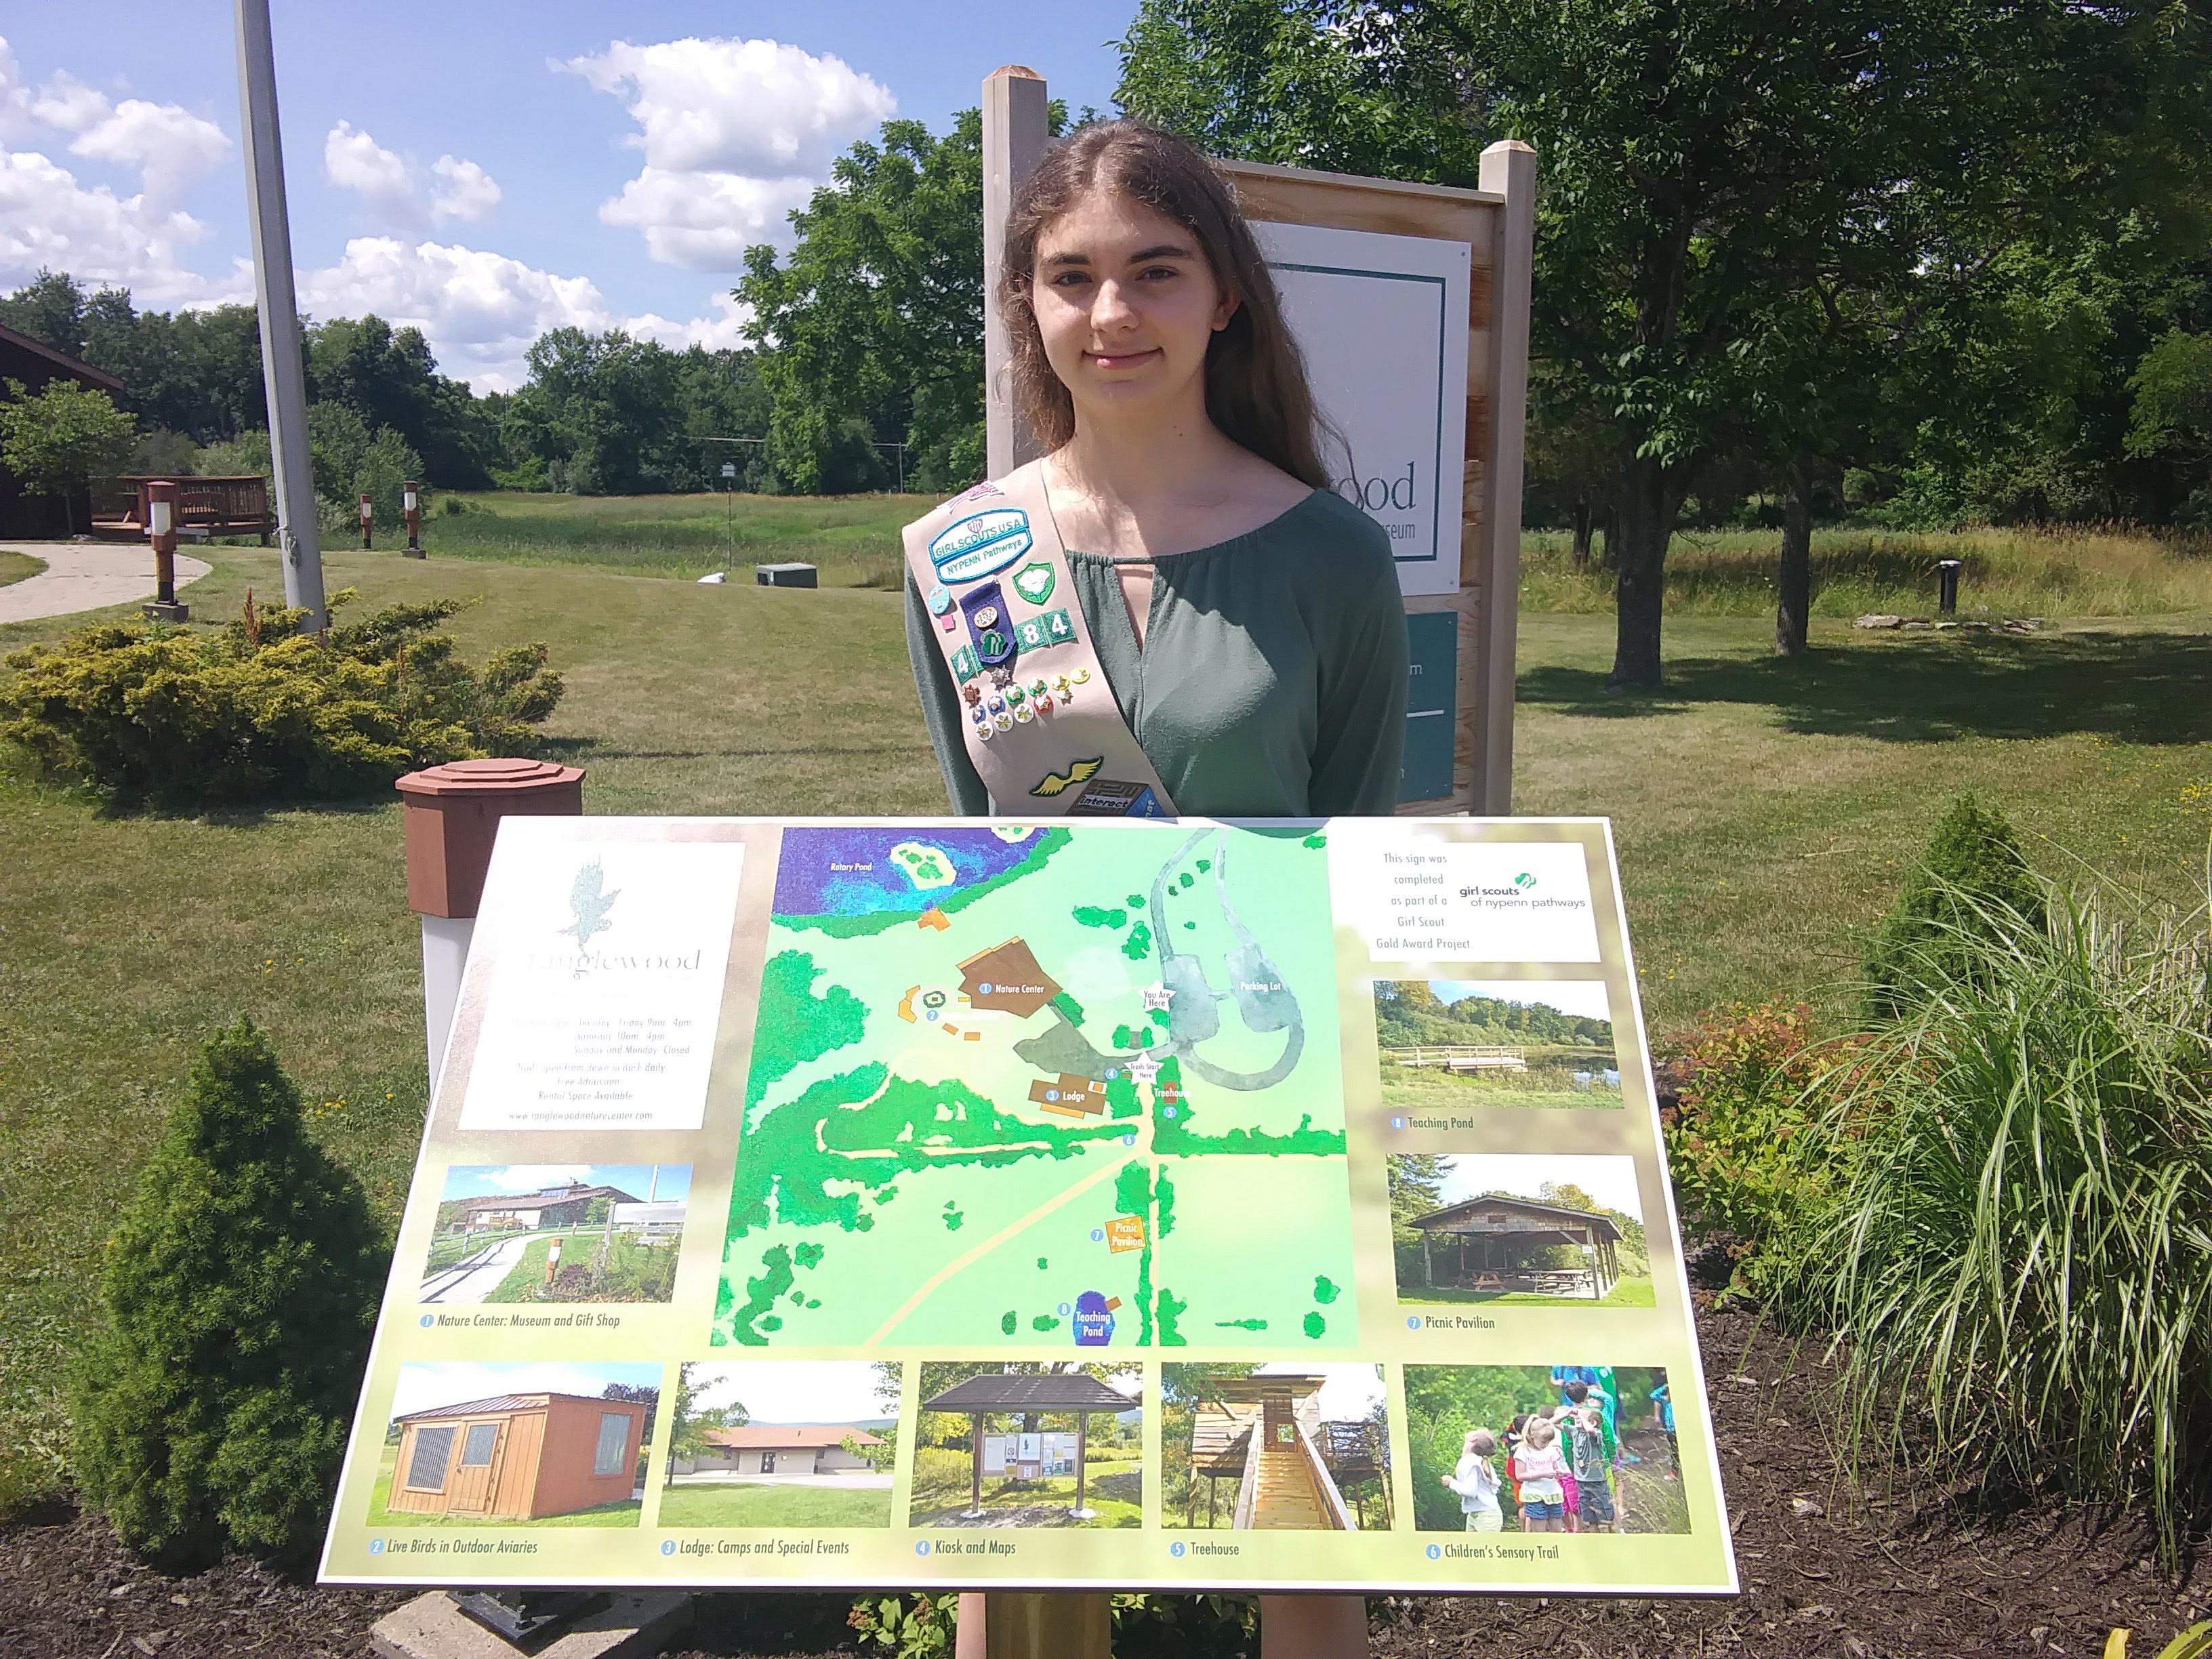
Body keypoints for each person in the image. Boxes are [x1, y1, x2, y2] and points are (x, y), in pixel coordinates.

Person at [907, 118, 1410, 1659]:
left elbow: (1352, 850)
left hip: (1261, 1087)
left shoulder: (1330, 557)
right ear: (1028, 307)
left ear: (1222, 298)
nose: (1110, 314)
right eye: (1070, 279)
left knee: (1294, 1494)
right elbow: (980, 854)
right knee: (1021, 1489)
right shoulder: (963, 558)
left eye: (1153, 271)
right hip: (1044, 1096)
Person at [1510, 1414, 1570, 1533]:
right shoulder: (1523, 1451)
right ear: (1533, 1435)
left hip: (1552, 1493)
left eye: (1549, 1441)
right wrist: (1542, 1474)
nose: (1546, 1444)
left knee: (1557, 1529)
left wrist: (1558, 1473)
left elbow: (1555, 1468)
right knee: (1539, 1530)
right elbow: (1520, 1476)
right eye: (1543, 1441)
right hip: (1535, 1494)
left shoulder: (1550, 1449)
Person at [1441, 1428, 1504, 1532]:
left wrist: (1451, 1483)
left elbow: (1470, 1491)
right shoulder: (1476, 1460)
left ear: (1473, 1439)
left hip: (1486, 1517)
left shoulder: (1470, 1461)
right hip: (1479, 1514)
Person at [1567, 1405, 1616, 1532]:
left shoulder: (1597, 1435)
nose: (1578, 1419)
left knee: (1605, 1519)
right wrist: (1567, 1414)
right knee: (1590, 1521)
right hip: (1582, 1482)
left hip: (1598, 1482)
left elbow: (1591, 1431)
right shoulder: (1575, 1432)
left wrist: (1581, 1417)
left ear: (1593, 1423)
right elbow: (1553, 1423)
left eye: (1583, 1418)